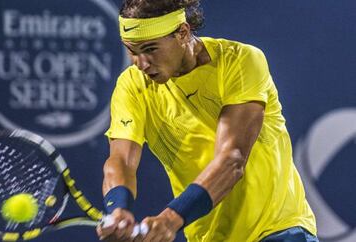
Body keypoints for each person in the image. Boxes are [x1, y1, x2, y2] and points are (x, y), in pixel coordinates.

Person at [96, 0, 318, 241]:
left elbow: (231, 160)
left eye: (150, 49)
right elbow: (121, 160)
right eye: (132, 50)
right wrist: (118, 207)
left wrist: (171, 218)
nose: (141, 64)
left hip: (278, 230)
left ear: (182, 32)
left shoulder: (241, 62)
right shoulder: (132, 86)